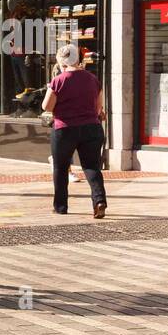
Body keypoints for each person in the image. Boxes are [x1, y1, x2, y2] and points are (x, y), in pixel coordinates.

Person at [42, 43, 107, 219]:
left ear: (61, 61)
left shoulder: (59, 80)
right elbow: (98, 107)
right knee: (92, 167)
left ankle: (61, 206)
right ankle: (99, 201)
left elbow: (46, 106)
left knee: (61, 168)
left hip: (65, 129)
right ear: (78, 59)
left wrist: (52, 89)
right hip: (91, 128)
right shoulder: (92, 79)